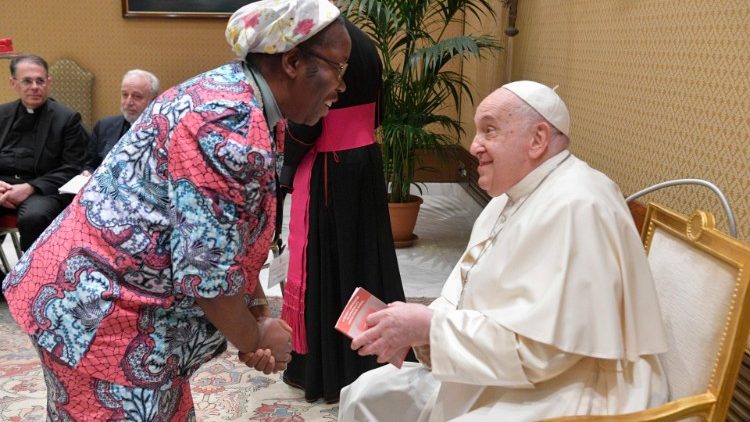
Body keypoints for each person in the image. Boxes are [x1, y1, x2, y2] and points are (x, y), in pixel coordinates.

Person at [1, 0, 350, 419]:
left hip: (130, 318)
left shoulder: (246, 101)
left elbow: (229, 233)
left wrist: (256, 313)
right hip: (101, 319)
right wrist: (254, 336)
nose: (341, 87)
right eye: (339, 68)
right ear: (292, 61)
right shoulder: (228, 122)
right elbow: (206, 277)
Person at [337, 81, 669, 421]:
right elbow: (462, 295)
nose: (473, 146)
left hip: (573, 387)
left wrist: (430, 328)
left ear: (538, 139)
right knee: (365, 394)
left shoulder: (578, 205)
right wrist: (418, 332)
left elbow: (546, 352)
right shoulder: (506, 199)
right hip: (499, 366)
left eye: (489, 131)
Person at [279, 18, 410, 403]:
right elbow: (380, 110)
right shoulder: (365, 42)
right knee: (367, 260)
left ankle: (328, 369)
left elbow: (304, 123)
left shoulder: (318, 44)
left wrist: (286, 171)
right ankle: (374, 360)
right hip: (364, 162)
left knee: (328, 266)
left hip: (327, 167)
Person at [0, 54, 89, 252]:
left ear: (48, 82)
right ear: (13, 83)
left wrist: (30, 187)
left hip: (43, 189)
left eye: (40, 81)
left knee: (35, 217)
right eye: (27, 81)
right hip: (4, 185)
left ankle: (30, 275)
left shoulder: (67, 119)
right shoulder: (1, 114)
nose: (34, 87)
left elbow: (72, 167)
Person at [82, 69, 159, 174]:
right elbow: (90, 165)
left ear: (153, 100)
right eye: (125, 95)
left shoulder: (164, 133)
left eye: (137, 96)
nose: (128, 102)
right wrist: (87, 172)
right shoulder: (104, 126)